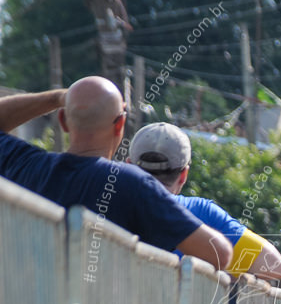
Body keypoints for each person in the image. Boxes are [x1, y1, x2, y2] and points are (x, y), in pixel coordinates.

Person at [0, 77, 231, 268]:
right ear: (120, 124)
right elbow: (219, 253)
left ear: (62, 120)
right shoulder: (132, 184)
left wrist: (58, 98)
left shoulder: (23, 164)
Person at [129, 122, 281, 281]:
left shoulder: (108, 201)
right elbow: (273, 266)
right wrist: (213, 277)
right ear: (184, 174)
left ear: (128, 165)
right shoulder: (202, 213)